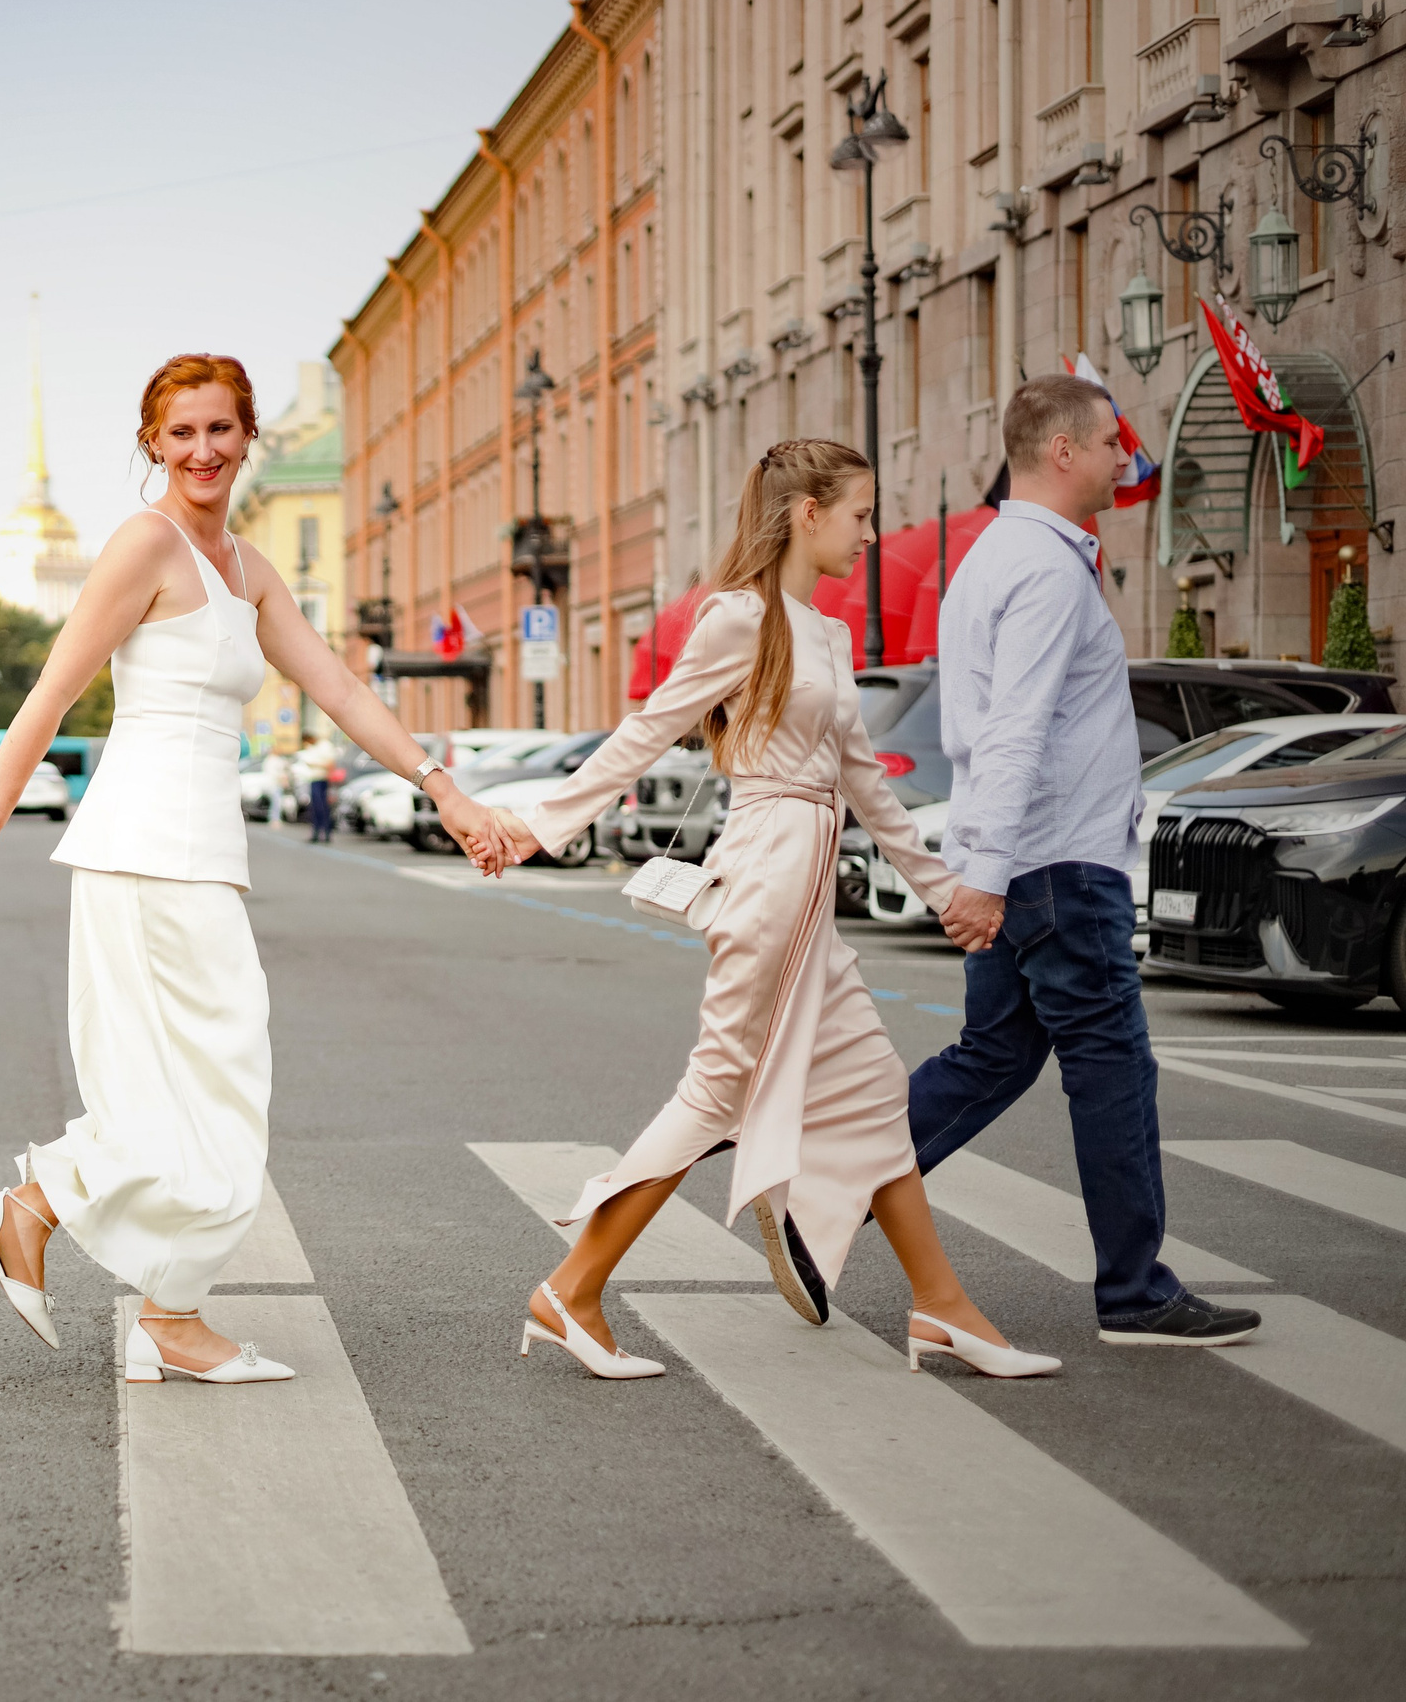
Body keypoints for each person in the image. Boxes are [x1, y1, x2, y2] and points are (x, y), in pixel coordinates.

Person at [0, 353, 510, 1383]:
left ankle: (156, 1305)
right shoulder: (142, 547)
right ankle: (56, 1218)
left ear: (247, 440)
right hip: (142, 848)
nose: (201, 450)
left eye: (219, 430)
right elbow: (53, 695)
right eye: (180, 432)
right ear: (151, 443)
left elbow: (338, 689)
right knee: (215, 1082)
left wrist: (443, 786)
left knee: (207, 1085)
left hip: (198, 852)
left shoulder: (246, 568)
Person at [492, 439, 1056, 1381]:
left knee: (877, 1092)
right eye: (860, 514)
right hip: (766, 873)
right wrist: (532, 824)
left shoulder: (826, 633)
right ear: (808, 514)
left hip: (811, 879)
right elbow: (644, 732)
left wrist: (942, 888)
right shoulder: (737, 620)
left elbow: (866, 783)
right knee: (716, 1090)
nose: (870, 536)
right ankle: (572, 1289)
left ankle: (942, 1308)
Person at [906, 377, 1261, 1348]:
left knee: (991, 1058)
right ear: (1060, 450)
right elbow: (1014, 730)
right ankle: (1134, 1291)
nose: (1123, 459)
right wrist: (984, 872)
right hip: (1059, 864)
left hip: (1023, 856)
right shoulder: (1047, 570)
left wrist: (982, 861)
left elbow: (978, 730)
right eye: (1109, 442)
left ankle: (821, 1203)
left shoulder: (990, 557)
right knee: (1113, 1068)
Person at [297, 735, 339, 842]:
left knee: (322, 807)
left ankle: (326, 832)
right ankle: (316, 832)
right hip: (314, 779)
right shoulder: (313, 748)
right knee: (315, 808)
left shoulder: (324, 746)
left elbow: (330, 763)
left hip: (322, 779)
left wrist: (314, 764)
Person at [260, 746, 292, 824]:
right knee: (276, 802)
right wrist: (281, 777)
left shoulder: (277, 760)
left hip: (277, 784)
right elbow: (273, 773)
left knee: (277, 802)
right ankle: (274, 819)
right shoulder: (271, 760)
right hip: (273, 784)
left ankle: (275, 818)